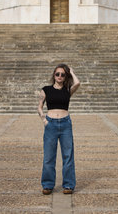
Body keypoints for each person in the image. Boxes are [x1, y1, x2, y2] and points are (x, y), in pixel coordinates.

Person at [38, 64, 80, 195]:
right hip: (50, 124)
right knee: (49, 156)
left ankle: (68, 185)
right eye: (57, 74)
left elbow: (78, 83)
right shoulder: (46, 90)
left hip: (66, 124)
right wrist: (43, 119)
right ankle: (48, 185)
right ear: (54, 75)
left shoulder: (68, 90)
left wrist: (71, 72)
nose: (60, 76)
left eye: (63, 74)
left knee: (68, 155)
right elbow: (39, 106)